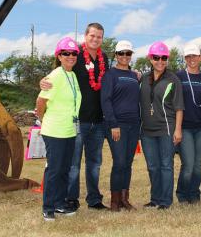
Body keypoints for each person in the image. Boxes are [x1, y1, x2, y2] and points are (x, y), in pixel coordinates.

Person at [40, 23, 110, 210]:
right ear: (86, 36)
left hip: (98, 120)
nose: (96, 39)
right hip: (78, 120)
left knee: (94, 164)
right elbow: (59, 72)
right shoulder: (75, 54)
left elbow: (107, 82)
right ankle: (70, 199)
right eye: (93, 35)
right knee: (73, 164)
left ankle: (94, 199)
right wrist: (44, 81)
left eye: (99, 36)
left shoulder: (104, 57)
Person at [36, 37, 82, 221]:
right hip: (54, 131)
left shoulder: (72, 74)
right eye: (66, 53)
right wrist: (42, 119)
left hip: (69, 130)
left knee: (64, 169)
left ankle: (60, 203)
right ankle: (48, 207)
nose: (70, 56)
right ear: (59, 56)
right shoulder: (55, 75)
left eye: (73, 53)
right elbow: (40, 101)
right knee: (54, 170)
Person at [140, 41, 184, 210]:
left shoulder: (173, 79)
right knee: (152, 166)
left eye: (163, 58)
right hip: (146, 131)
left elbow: (179, 107)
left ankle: (165, 201)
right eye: (156, 57)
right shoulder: (143, 79)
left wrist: (178, 130)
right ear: (150, 59)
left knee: (166, 165)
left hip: (167, 130)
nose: (160, 61)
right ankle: (155, 199)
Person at [101, 40, 141, 211]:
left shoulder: (134, 76)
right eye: (121, 53)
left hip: (134, 125)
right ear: (116, 55)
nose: (125, 56)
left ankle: (125, 199)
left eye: (128, 53)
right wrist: (113, 124)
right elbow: (106, 100)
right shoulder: (110, 75)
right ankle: (115, 201)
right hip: (117, 125)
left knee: (128, 162)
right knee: (119, 162)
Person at [175, 43, 201, 204]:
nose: (191, 59)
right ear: (185, 59)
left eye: (194, 56)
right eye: (188, 57)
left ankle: (194, 194)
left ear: (199, 57)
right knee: (188, 164)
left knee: (197, 164)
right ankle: (182, 195)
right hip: (185, 127)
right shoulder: (179, 77)